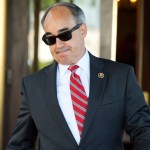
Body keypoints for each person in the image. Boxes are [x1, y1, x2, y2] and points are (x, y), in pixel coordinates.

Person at [6, 2, 150, 150]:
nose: (58, 45)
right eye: (50, 39)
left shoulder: (120, 75)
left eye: (64, 35)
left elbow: (143, 129)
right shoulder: (33, 86)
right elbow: (19, 144)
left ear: (83, 30)